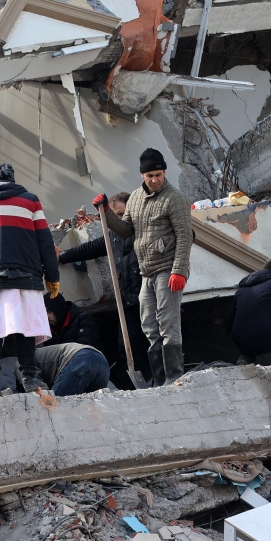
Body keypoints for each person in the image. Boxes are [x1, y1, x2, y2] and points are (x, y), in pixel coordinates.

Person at [93, 148, 193, 386]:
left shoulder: (175, 198)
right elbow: (126, 230)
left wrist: (179, 270)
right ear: (142, 176)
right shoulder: (136, 198)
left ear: (164, 172)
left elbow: (185, 235)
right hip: (146, 272)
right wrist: (106, 212)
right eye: (150, 175)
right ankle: (159, 379)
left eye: (158, 174)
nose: (155, 179)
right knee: (149, 326)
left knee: (168, 324)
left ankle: (174, 378)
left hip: (168, 269)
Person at [0, 163, 60, 398]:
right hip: (27, 274)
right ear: (13, 180)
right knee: (26, 327)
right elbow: (45, 240)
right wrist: (52, 276)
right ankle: (31, 378)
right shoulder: (31, 201)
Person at [57, 192, 149, 385]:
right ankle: (138, 387)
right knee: (127, 349)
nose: (120, 221)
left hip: (147, 297)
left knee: (152, 343)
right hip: (128, 300)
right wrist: (62, 256)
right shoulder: (114, 236)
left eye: (123, 215)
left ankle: (155, 380)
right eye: (115, 217)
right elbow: (92, 248)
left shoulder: (143, 231)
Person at [35, 343, 110, 397]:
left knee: (56, 407)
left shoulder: (25, 361)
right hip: (102, 362)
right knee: (94, 414)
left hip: (80, 359)